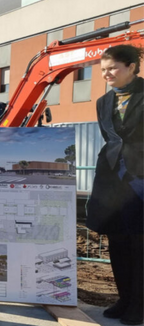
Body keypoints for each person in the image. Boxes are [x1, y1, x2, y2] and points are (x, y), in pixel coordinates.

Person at [87, 44, 143, 326]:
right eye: (103, 70)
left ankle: (139, 305)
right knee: (117, 242)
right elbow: (112, 140)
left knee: (139, 245)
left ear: (132, 67)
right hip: (111, 180)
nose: (106, 74)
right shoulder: (103, 102)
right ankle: (124, 298)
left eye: (112, 68)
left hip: (140, 181)